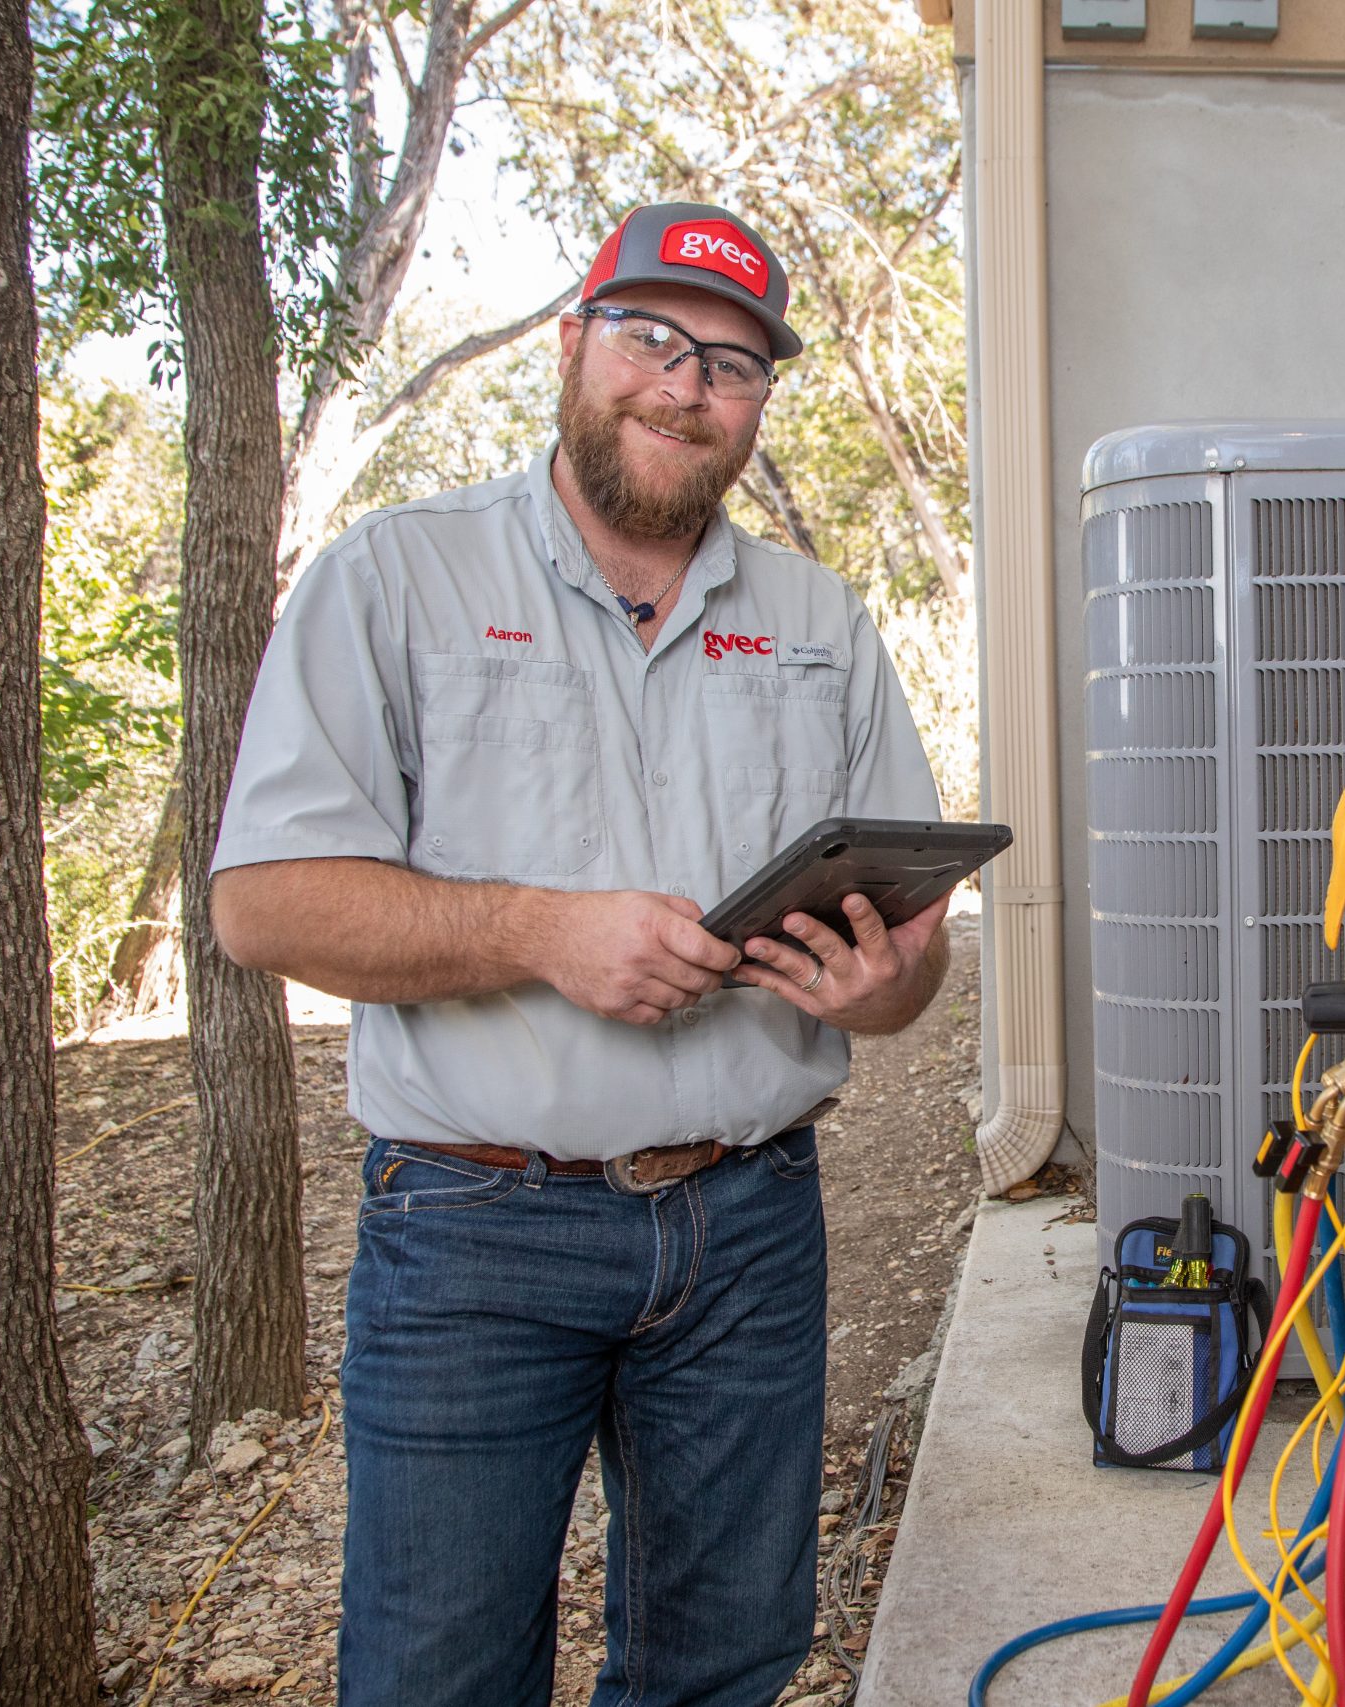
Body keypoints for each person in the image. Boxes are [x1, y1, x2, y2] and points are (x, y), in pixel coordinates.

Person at [209, 201, 950, 1707]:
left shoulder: (819, 622)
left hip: (751, 1225)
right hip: (477, 1235)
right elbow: (264, 903)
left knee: (723, 1663)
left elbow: (917, 960)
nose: (687, 386)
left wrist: (890, 987)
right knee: (440, 1673)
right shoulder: (398, 580)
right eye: (653, 339)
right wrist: (539, 934)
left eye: (733, 365)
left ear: (758, 404)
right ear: (574, 343)